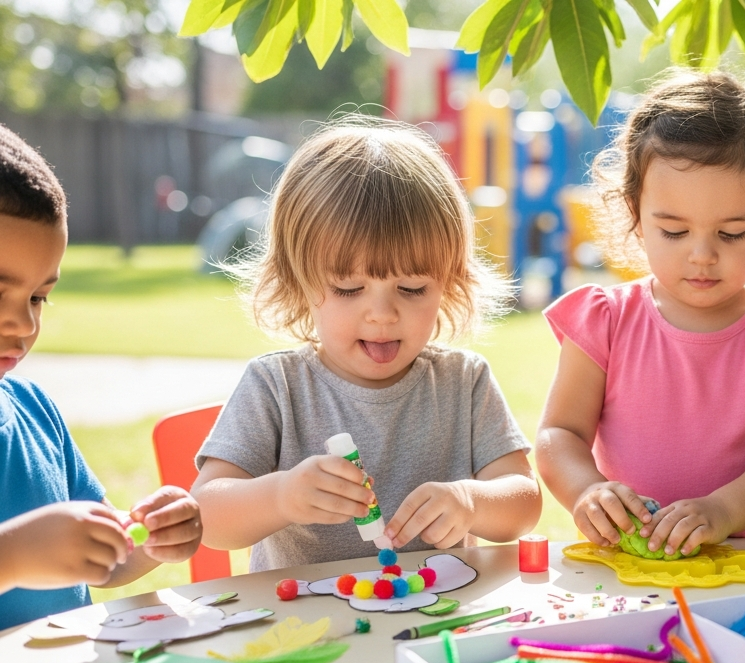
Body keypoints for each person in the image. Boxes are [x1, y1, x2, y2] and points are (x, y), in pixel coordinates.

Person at [191, 117, 541, 570]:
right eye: (348, 289)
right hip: (311, 631)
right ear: (298, 282)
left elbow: (525, 502)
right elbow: (207, 514)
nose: (382, 314)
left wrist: (471, 502)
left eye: (413, 289)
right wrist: (281, 496)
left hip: (434, 623)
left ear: (449, 283)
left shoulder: (463, 382)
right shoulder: (276, 385)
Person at [536, 71, 745, 557]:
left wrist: (723, 510)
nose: (702, 255)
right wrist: (586, 491)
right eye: (675, 232)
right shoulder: (604, 321)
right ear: (636, 211)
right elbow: (560, 434)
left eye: (732, 233)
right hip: (626, 562)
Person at [0, 123, 202, 628]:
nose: (24, 323)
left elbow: (107, 560)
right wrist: (14, 557)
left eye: (38, 297)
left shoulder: (33, 410)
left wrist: (153, 537)